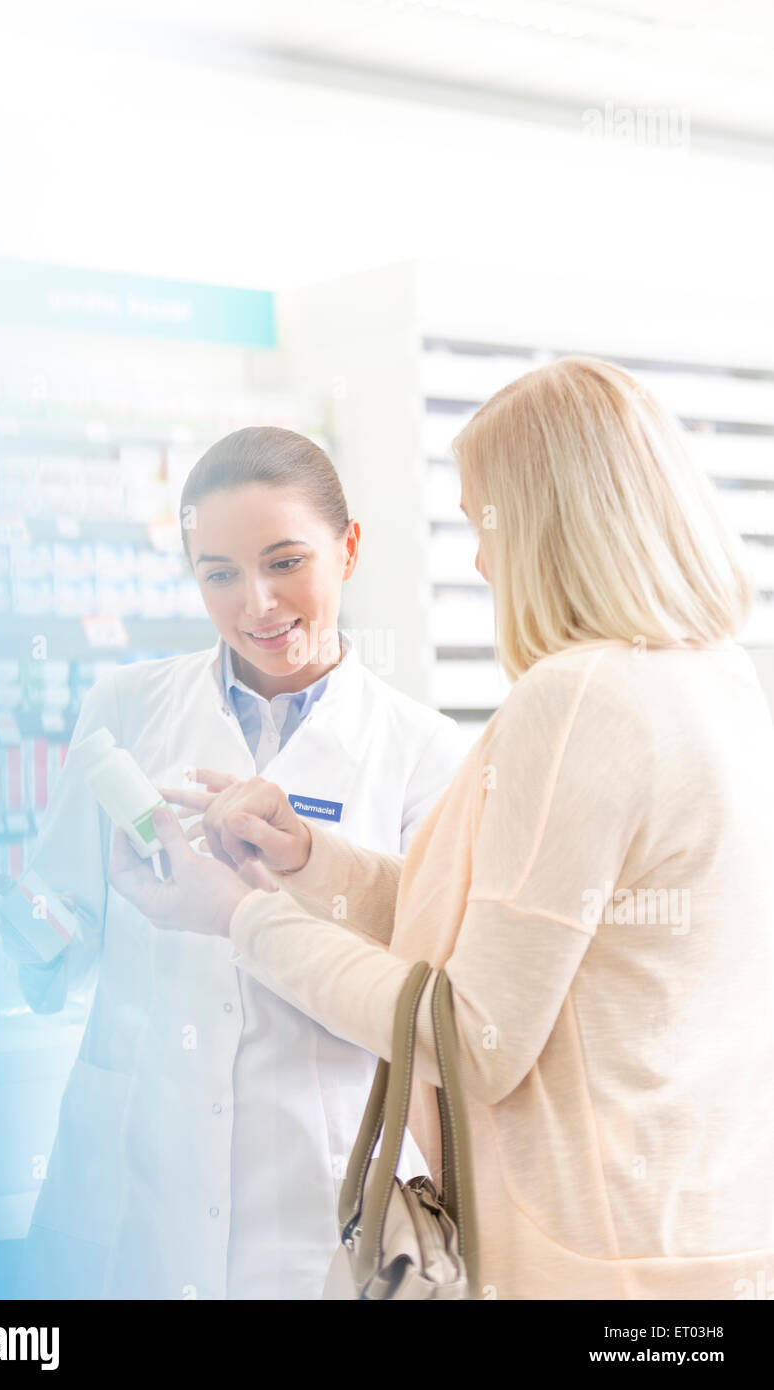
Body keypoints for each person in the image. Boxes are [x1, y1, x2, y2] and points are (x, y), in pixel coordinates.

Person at [110, 360, 774, 1300]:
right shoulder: (713, 678)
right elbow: (499, 922)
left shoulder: (578, 699)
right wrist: (309, 860)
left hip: (588, 1269)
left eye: (481, 521)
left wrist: (239, 919)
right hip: (700, 1247)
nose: (478, 559)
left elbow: (473, 1036)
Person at [14, 426, 467, 1300]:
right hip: (130, 1193)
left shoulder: (423, 753)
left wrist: (269, 897)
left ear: (350, 548)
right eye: (218, 573)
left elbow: (424, 1005)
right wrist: (35, 930)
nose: (256, 602)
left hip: (311, 1202)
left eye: (285, 561)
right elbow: (52, 936)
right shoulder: (125, 707)